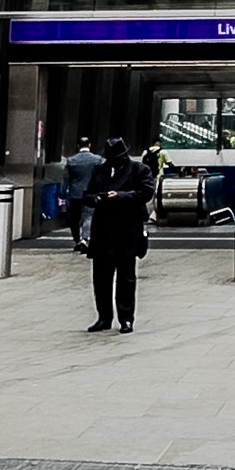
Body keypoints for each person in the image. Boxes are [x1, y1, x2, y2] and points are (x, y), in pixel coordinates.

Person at [86, 136, 151, 334]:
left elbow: (146, 193)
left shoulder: (139, 170)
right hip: (102, 232)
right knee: (101, 279)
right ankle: (104, 318)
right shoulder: (100, 170)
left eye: (118, 157)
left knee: (126, 279)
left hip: (126, 231)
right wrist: (96, 198)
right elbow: (87, 195)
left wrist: (120, 196)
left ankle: (126, 319)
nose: (115, 161)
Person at [62, 135, 103, 248]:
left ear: (78, 146)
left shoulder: (71, 160)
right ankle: (85, 239)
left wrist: (62, 194)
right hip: (91, 193)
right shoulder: (97, 160)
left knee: (74, 219)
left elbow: (66, 179)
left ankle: (77, 239)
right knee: (88, 216)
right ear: (89, 145)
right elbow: (101, 177)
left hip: (75, 193)